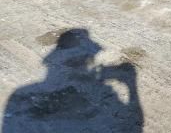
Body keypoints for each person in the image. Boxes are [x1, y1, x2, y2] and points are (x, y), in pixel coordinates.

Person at [2, 28, 143, 133]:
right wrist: (131, 83)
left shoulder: (20, 94)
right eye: (88, 57)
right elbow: (133, 124)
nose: (91, 61)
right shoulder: (104, 93)